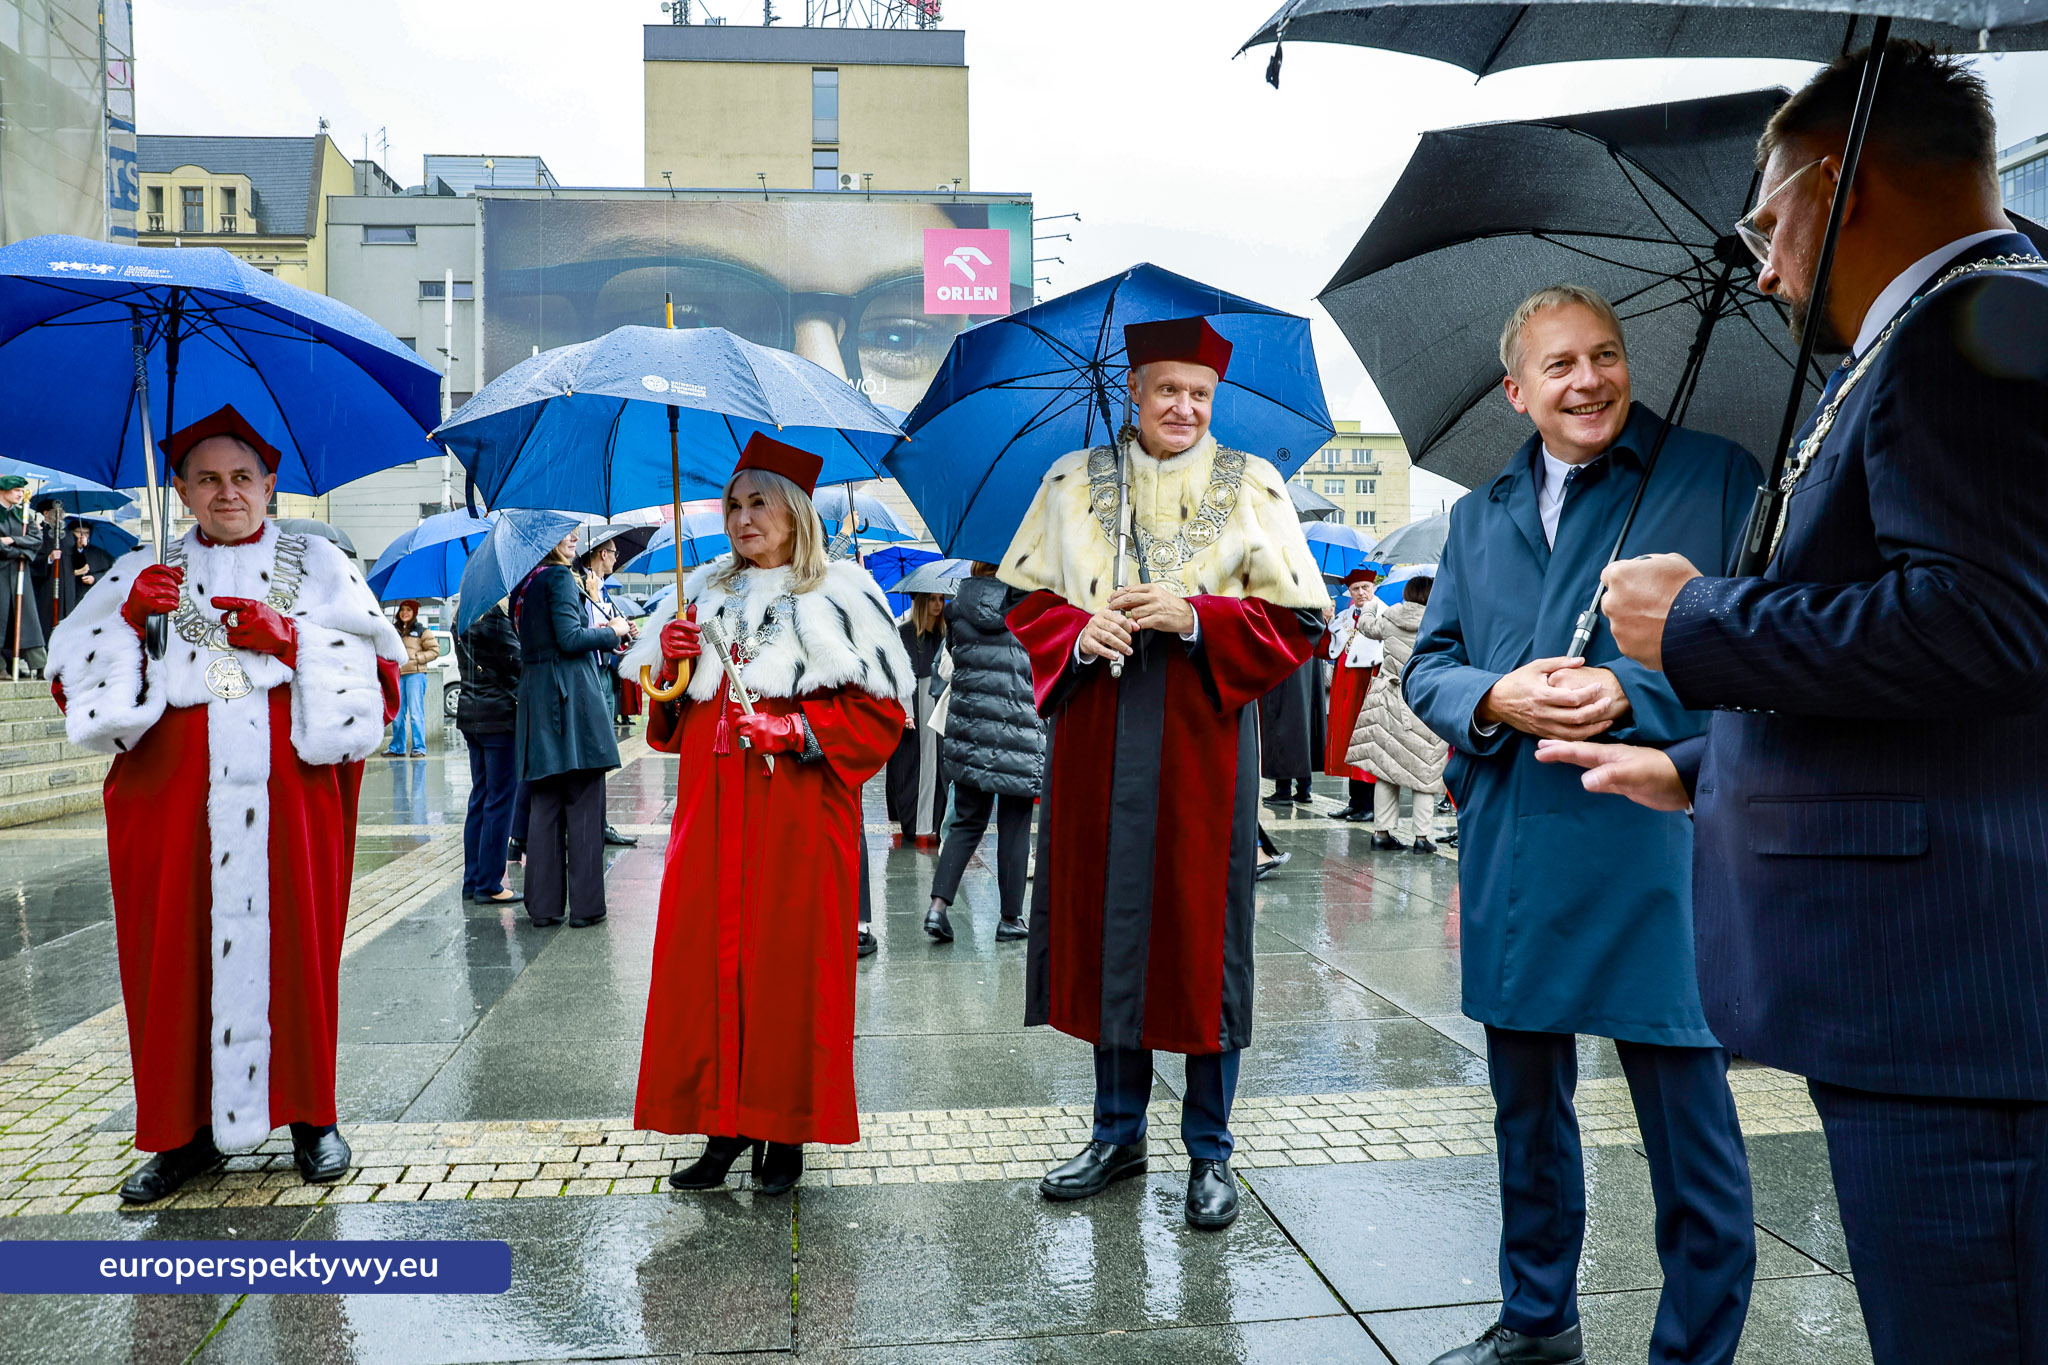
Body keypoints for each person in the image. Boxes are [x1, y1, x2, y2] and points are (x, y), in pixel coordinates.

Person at [1549, 46, 2048, 1365]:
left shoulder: (1970, 333)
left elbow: (1986, 625)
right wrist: (1705, 766)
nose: (1765, 269)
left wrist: (1694, 624)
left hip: (1954, 1017)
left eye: (1766, 221)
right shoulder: (1960, 327)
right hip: (1937, 1005)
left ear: (1841, 183)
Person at [1402, 285, 1758, 1365]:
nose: (1588, 380)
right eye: (1558, 365)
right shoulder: (1479, 513)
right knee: (1525, 1116)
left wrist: (1631, 692)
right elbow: (1429, 665)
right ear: (1516, 391)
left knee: (1688, 1130)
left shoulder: (1714, 476)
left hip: (1656, 842)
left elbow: (1763, 644)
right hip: (1516, 842)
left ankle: (1693, 1349)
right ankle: (1536, 1319)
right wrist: (1493, 696)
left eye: (1603, 355)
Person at [1000, 316, 1326, 1231]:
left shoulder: (1254, 484)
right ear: (1135, 390)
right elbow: (1020, 601)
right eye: (1168, 389)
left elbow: (1301, 623)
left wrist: (1195, 618)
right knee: (1110, 930)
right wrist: (1079, 629)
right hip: (1097, 731)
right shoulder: (1070, 479)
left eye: (1200, 393)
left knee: (1201, 937)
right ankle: (1117, 1133)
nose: (1184, 407)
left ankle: (1211, 1149)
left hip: (1201, 737)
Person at [44, 404, 401, 1202]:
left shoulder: (320, 563)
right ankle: (181, 1133)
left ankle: (312, 1117)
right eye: (206, 479)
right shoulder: (140, 570)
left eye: (242, 477)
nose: (226, 492)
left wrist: (294, 640)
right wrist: (130, 619)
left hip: (290, 805)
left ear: (271, 485)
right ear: (180, 489)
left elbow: (382, 684)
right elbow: (73, 691)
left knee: (298, 954)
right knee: (171, 961)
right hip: (172, 812)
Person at [622, 433, 910, 1196]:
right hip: (711, 818)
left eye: (759, 503)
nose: (743, 518)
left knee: (788, 974)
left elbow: (882, 717)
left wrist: (796, 728)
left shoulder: (842, 593)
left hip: (797, 819)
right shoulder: (703, 591)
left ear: (796, 513)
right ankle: (723, 1124)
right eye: (734, 505)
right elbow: (665, 721)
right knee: (707, 970)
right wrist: (669, 660)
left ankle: (783, 1131)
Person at [514, 527, 629, 928]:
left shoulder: (524, 583)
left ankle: (544, 907)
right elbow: (570, 638)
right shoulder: (560, 577)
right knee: (583, 804)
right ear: (544, 536)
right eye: (565, 531)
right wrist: (612, 632)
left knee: (544, 806)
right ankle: (586, 907)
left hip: (538, 698)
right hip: (570, 700)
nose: (575, 537)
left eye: (576, 529)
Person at [923, 562, 1044, 945]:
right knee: (1014, 825)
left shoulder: (958, 607)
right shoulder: (1032, 606)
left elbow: (954, 659)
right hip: (1018, 731)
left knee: (965, 822)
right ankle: (1010, 918)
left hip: (970, 728)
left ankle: (937, 907)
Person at [1347, 576, 1448, 853]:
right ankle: (1422, 838)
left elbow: (1366, 627)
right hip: (1424, 701)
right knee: (1425, 770)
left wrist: (1369, 606)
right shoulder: (1439, 621)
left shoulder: (1390, 618)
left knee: (1387, 768)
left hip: (1390, 700)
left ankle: (1381, 833)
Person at [574, 535, 639, 850]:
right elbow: (583, 631)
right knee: (595, 750)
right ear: (602, 553)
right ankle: (591, 823)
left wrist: (625, 632)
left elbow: (610, 634)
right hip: (588, 675)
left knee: (604, 748)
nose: (616, 558)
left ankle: (599, 821)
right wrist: (592, 599)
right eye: (614, 553)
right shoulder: (581, 586)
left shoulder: (603, 590)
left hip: (603, 672)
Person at [456, 600, 522, 906]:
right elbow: (518, 663)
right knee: (500, 801)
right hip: (499, 718)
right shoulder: (495, 620)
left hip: (471, 714)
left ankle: (472, 880)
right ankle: (490, 884)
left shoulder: (461, 617)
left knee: (480, 798)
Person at [884, 591, 948, 846]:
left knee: (939, 764)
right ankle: (913, 823)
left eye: (941, 599)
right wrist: (906, 711)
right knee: (909, 766)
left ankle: (936, 823)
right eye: (932, 599)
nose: (938, 604)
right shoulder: (903, 634)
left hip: (938, 703)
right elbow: (898, 675)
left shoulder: (945, 635)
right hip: (913, 706)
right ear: (921, 602)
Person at [1324, 567, 1382, 821]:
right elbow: (1330, 647)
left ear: (1373, 589)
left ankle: (1370, 805)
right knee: (1348, 741)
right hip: (1344, 686)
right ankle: (1355, 802)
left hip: (1367, 686)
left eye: (1365, 588)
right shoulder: (1344, 616)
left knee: (1366, 742)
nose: (1360, 593)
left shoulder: (1383, 614)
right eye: (1355, 589)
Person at [1258, 630, 1322, 808]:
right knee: (1303, 726)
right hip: (1305, 661)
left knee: (1283, 723)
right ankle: (1304, 788)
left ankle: (1283, 789)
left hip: (1286, 661)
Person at [0, 475, 48, 677]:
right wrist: (19, 552)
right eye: (16, 490)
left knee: (27, 618)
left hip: (20, 572)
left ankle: (40, 663)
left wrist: (13, 541)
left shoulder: (23, 514)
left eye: (22, 490)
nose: (21, 494)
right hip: (1, 572)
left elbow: (36, 539)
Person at [384, 599, 438, 757]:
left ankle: (419, 748)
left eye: (408, 610)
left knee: (415, 713)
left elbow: (434, 650)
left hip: (416, 675)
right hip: (397, 675)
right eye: (402, 610)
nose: (404, 613)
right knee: (397, 715)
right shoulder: (393, 631)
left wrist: (418, 657)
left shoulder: (422, 631)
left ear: (414, 613)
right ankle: (397, 747)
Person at [60, 518, 116, 617]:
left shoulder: (99, 553)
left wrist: (95, 578)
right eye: (79, 532)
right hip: (69, 596)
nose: (83, 536)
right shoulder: (63, 552)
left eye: (86, 533)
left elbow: (111, 572)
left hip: (92, 597)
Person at [29, 496, 63, 637]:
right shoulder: (36, 531)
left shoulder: (66, 534)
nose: (60, 515)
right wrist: (48, 558)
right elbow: (31, 558)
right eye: (56, 512)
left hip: (64, 586)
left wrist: (80, 546)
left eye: (61, 512)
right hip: (44, 585)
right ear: (46, 513)